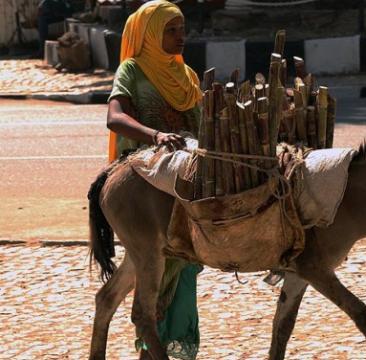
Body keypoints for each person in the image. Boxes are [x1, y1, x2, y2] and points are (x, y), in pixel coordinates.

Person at [106, 1, 203, 359]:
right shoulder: (132, 70)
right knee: (156, 267)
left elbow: (202, 122)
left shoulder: (188, 75)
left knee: (187, 266)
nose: (181, 37)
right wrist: (156, 135)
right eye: (171, 30)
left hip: (188, 173)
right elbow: (114, 118)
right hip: (148, 173)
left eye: (182, 29)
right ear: (150, 34)